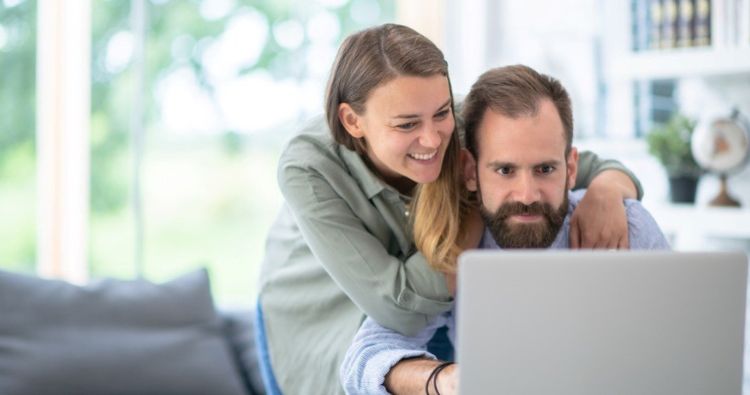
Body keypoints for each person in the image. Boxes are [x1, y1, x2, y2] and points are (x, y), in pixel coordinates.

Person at [257, 24, 644, 395]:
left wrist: (607, 190)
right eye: (407, 124)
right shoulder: (307, 167)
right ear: (352, 121)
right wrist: (475, 209)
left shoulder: (462, 120)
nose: (433, 138)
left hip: (431, 305)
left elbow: (572, 163)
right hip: (318, 310)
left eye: (441, 112)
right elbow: (399, 310)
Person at [340, 64, 670, 395]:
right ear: (470, 171)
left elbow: (684, 341)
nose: (527, 195)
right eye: (505, 170)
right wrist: (443, 381)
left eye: (544, 169)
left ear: (571, 169)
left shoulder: (626, 227)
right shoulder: (456, 246)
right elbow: (364, 358)